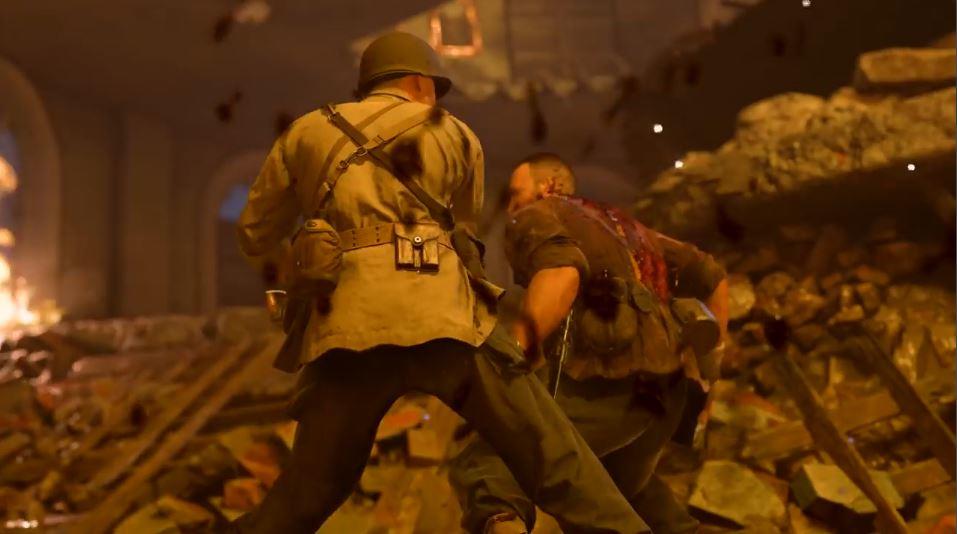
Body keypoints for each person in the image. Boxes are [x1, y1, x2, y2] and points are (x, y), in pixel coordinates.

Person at [231, 33, 650, 533]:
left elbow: (254, 233)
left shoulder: (307, 131)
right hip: (446, 319)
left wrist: (304, 255)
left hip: (346, 324)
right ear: (418, 83)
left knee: (309, 489)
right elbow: (463, 233)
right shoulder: (454, 133)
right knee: (551, 452)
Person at [449, 153, 730, 534]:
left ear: (547, 187)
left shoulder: (538, 214)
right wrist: (709, 374)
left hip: (609, 386)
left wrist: (509, 358)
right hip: (666, 398)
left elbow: (561, 273)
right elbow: (713, 276)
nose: (511, 205)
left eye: (516, 193)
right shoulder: (627, 226)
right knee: (616, 490)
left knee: (491, 465)